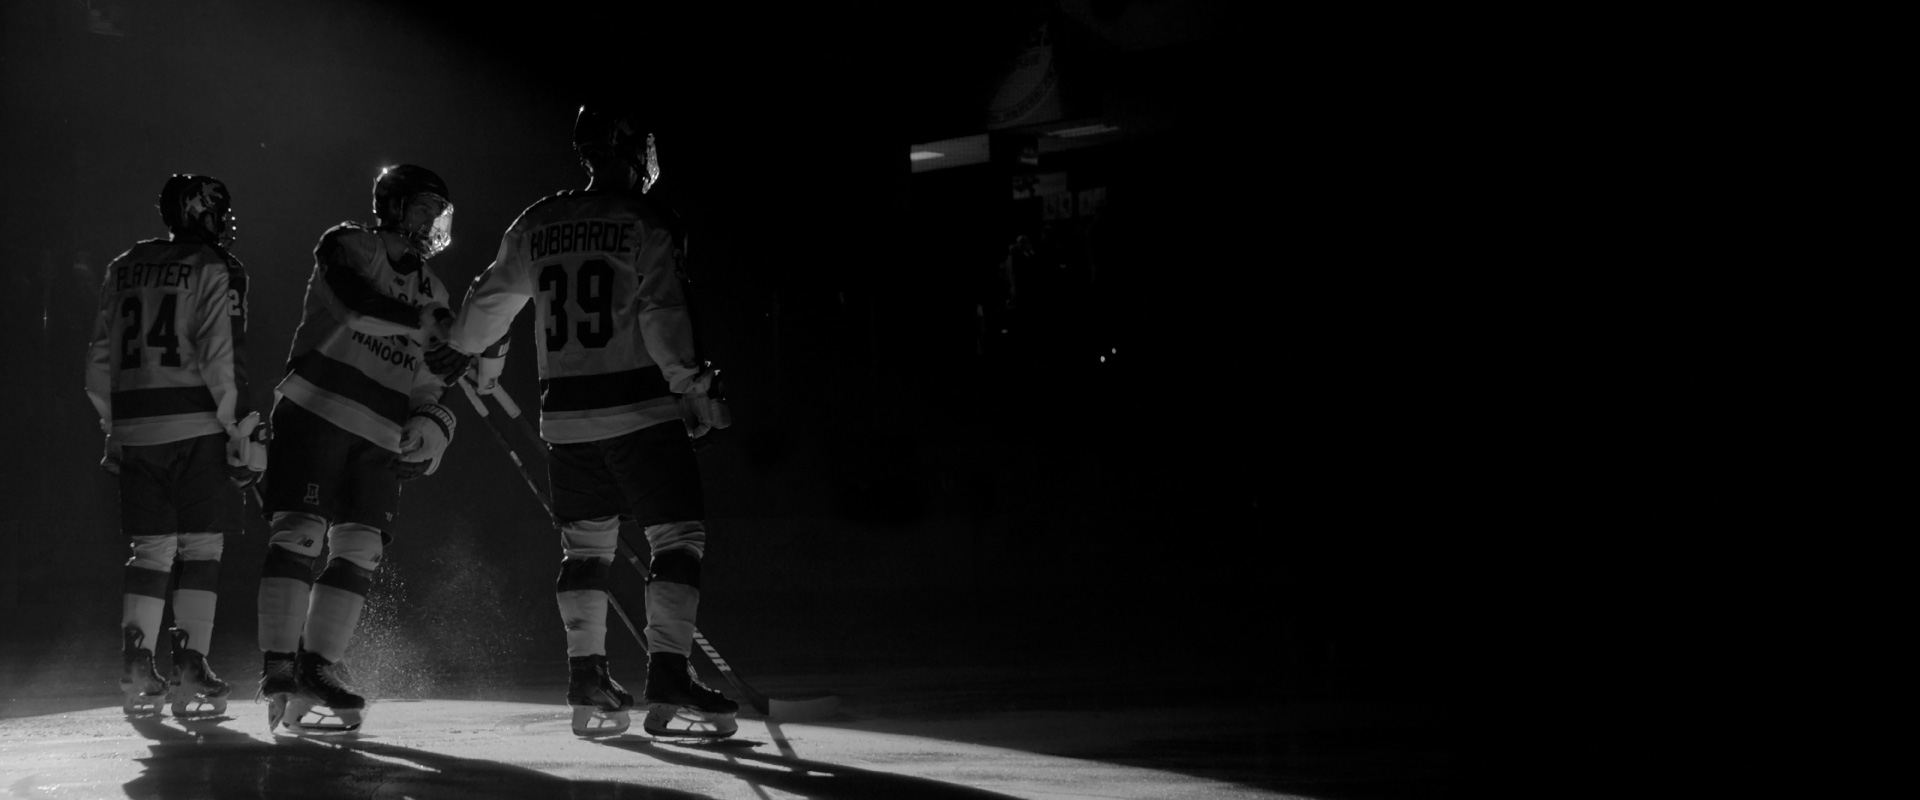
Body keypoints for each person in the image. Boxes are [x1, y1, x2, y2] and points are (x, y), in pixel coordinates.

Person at [426, 104, 736, 738]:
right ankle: (670, 672)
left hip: (565, 418)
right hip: (640, 410)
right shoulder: (647, 220)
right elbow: (661, 310)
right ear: (626, 150)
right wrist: (692, 385)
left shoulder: (539, 221)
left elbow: (489, 302)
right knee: (677, 539)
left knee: (584, 549)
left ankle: (586, 674)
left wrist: (459, 344)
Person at [254, 164, 459, 733]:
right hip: (317, 405)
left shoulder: (435, 290)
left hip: (379, 430)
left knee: (363, 548)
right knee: (299, 533)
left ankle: (319, 666)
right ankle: (278, 665)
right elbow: (355, 307)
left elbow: (426, 377)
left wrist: (433, 417)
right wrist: (426, 322)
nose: (432, 223)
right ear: (392, 206)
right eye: (422, 208)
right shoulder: (349, 245)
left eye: (438, 213)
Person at [84, 174, 263, 717]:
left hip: (137, 428)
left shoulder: (123, 265)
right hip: (196, 424)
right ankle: (192, 661)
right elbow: (218, 354)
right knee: (202, 547)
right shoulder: (213, 267)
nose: (223, 222)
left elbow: (98, 360)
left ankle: (135, 661)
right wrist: (239, 429)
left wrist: (113, 427)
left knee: (151, 549)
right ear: (199, 210)